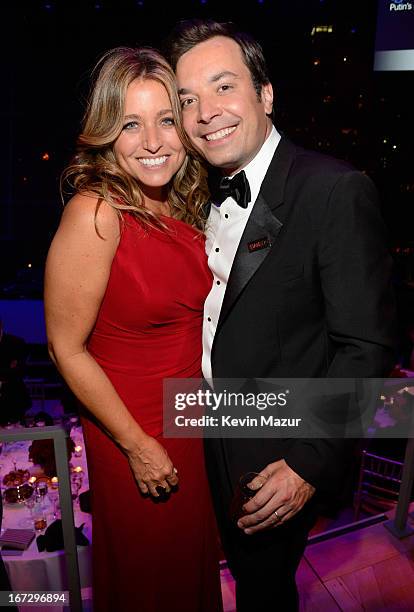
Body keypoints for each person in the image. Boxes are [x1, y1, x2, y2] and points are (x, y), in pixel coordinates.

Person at [167, 20, 396, 611]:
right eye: (187, 99)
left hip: (278, 451)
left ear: (266, 95)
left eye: (222, 87)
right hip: (209, 429)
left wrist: (307, 464)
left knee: (264, 592)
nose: (203, 112)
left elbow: (365, 348)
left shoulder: (333, 190)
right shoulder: (195, 196)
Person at [44, 47, 223, 612]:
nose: (153, 141)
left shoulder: (184, 205)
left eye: (166, 119)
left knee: (189, 568)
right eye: (130, 124)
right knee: (150, 580)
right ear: (106, 134)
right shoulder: (96, 213)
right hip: (135, 429)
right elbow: (64, 348)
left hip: (190, 416)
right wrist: (137, 446)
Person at [0, 319, 31, 426]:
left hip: (14, 397)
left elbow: (21, 370)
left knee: (18, 434)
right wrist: (9, 368)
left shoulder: (16, 343)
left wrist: (9, 371)